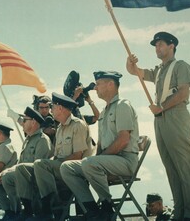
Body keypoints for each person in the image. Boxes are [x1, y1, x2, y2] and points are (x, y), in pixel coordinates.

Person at [126, 32, 190, 221]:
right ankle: (179, 212)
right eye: (156, 45)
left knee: (184, 165)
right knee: (171, 166)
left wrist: (162, 107)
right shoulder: (159, 70)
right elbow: (136, 72)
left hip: (175, 116)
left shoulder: (180, 66)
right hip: (160, 118)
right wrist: (130, 63)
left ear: (172, 46)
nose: (157, 48)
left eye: (160, 44)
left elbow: (183, 93)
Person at [60, 71, 140, 221]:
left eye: (98, 84)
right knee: (67, 167)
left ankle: (107, 205)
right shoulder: (104, 112)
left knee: (89, 163)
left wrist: (96, 160)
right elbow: (101, 146)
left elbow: (123, 140)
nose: (95, 88)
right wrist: (95, 160)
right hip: (107, 161)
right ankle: (93, 210)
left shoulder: (123, 106)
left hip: (125, 161)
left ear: (110, 84)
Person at [29, 92, 93, 220]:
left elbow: (77, 155)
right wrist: (49, 163)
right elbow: (57, 156)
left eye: (52, 106)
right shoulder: (60, 129)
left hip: (75, 169)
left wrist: (48, 165)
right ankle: (43, 210)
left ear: (60, 108)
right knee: (34, 170)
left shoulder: (78, 125)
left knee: (40, 165)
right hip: (61, 168)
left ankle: (48, 208)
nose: (50, 110)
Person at [0, 107, 53, 221]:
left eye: (25, 120)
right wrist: (7, 170)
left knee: (8, 177)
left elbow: (39, 167)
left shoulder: (42, 140)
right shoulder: (28, 140)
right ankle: (9, 210)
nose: (23, 122)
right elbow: (20, 163)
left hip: (33, 179)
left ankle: (20, 211)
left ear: (33, 122)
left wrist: (9, 172)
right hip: (21, 175)